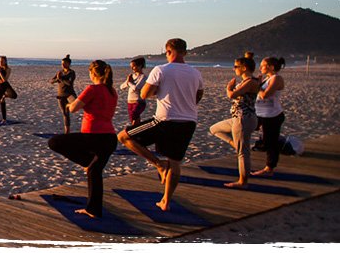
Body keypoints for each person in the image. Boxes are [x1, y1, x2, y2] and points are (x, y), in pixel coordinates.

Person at [117, 38, 203, 211]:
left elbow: (144, 93)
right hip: (189, 121)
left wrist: (159, 92)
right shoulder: (195, 73)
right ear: (185, 52)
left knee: (124, 136)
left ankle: (158, 164)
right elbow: (198, 96)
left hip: (165, 120)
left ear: (168, 51)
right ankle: (166, 201)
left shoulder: (161, 70)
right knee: (176, 162)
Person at [48, 60, 118, 218]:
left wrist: (70, 102)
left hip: (94, 138)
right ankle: (93, 209)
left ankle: (87, 160)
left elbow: (73, 108)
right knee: (95, 174)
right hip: (110, 139)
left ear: (92, 73)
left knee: (54, 142)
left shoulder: (92, 89)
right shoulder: (112, 91)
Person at [209, 56, 259, 188]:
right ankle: (234, 144)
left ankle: (243, 182)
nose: (234, 68)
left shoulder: (250, 82)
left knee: (243, 153)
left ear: (244, 68)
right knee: (214, 129)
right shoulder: (248, 81)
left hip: (244, 118)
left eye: (236, 66)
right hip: (237, 118)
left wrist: (228, 88)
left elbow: (232, 95)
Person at [251, 57, 286, 176]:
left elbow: (265, 95)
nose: (260, 67)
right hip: (261, 114)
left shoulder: (276, 78)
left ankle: (269, 168)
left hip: (272, 115)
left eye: (263, 65)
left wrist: (257, 86)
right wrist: (259, 83)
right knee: (266, 141)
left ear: (271, 67)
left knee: (270, 142)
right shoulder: (268, 78)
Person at [50, 54, 77, 134]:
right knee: (65, 114)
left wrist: (60, 78)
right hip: (61, 95)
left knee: (75, 103)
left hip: (70, 94)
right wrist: (57, 79)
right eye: (61, 63)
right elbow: (52, 81)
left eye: (64, 63)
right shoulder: (60, 72)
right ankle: (67, 132)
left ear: (68, 64)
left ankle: (68, 105)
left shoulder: (71, 72)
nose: (62, 65)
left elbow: (69, 83)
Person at [120, 57, 148, 126]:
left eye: (134, 66)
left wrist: (129, 82)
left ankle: (136, 131)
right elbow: (122, 87)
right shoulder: (132, 76)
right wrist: (127, 81)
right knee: (133, 119)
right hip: (130, 101)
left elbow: (136, 88)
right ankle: (137, 133)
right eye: (131, 67)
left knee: (134, 115)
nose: (132, 68)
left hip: (139, 102)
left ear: (140, 66)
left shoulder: (143, 77)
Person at [0, 56, 17, 124]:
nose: (0, 62)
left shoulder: (8, 69)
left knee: (14, 95)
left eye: (2, 61)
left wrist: (0, 72)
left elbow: (5, 80)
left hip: (5, 84)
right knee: (2, 103)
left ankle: (5, 95)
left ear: (5, 61)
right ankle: (4, 119)